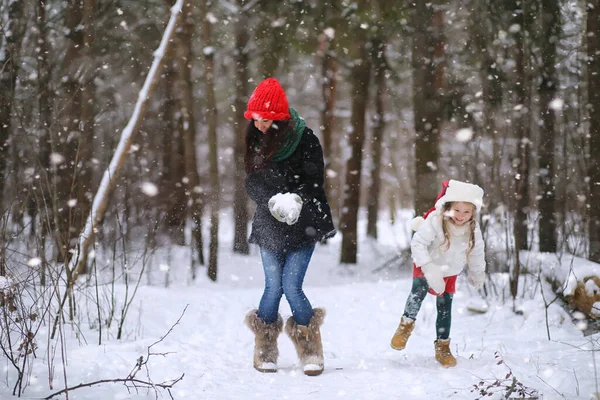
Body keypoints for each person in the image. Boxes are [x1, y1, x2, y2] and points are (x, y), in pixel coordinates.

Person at [242, 77, 336, 376]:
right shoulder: (255, 138)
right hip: (269, 224)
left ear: (279, 119)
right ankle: (266, 346)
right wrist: (271, 201)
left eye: (264, 119)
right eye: (254, 118)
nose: (258, 125)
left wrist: (296, 199)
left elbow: (314, 180)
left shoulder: (305, 139)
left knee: (292, 287)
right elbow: (252, 180)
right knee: (273, 288)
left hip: (302, 223)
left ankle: (310, 347)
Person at [390, 179, 486, 368]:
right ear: (448, 206)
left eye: (467, 211)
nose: (461, 216)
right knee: (418, 290)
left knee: (445, 305)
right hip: (427, 261)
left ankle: (443, 346)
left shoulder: (473, 228)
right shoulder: (436, 220)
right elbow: (418, 244)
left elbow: (477, 251)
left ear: (473, 212)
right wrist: (428, 267)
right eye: (457, 210)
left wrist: (477, 272)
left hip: (449, 270)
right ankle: (405, 326)